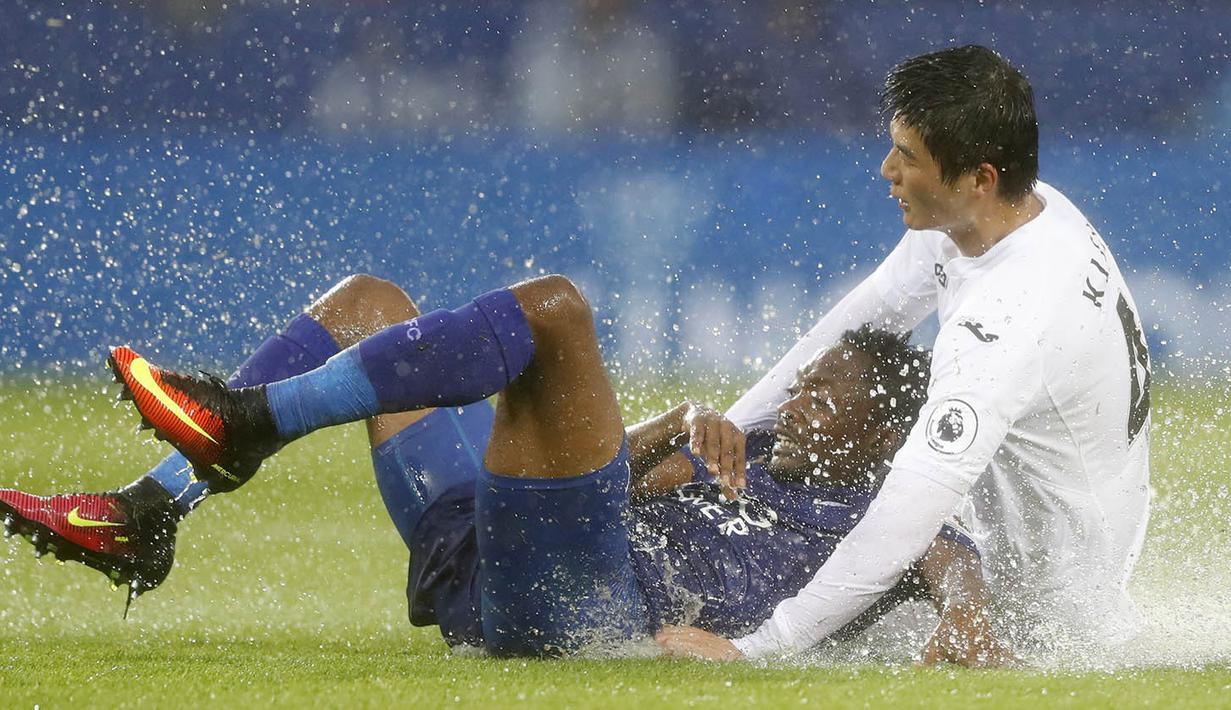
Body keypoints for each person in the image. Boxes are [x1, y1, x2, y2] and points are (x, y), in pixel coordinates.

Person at [1, 273, 1005, 663]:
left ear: (885, 429)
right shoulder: (752, 457)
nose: (797, 402)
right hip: (491, 547)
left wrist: (963, 627)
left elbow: (956, 574)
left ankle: (245, 422)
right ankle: (152, 509)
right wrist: (677, 424)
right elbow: (614, 482)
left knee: (555, 315)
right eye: (803, 385)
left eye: (824, 396)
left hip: (581, 604)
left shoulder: (894, 507)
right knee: (370, 302)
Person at [658, 45, 1152, 661]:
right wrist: (733, 429)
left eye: (908, 157)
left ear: (979, 178)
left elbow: (915, 498)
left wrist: (760, 648)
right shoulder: (1004, 215)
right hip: (1050, 542)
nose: (887, 168)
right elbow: (854, 323)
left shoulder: (1010, 316)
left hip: (1054, 616)